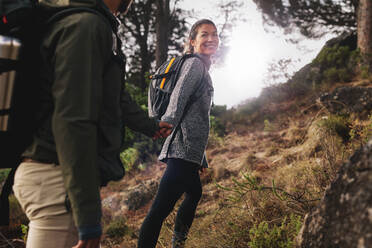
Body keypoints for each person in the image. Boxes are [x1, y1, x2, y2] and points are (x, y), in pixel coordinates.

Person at [11, 0, 172, 247]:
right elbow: (74, 122)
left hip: (51, 175)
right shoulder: (86, 25)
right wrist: (87, 219)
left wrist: (150, 126)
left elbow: (115, 96)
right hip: (58, 183)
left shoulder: (76, 19)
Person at [138, 19, 219, 248]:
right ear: (192, 42)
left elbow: (195, 116)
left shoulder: (201, 66)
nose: (211, 39)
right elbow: (180, 95)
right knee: (158, 212)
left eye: (214, 34)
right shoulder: (194, 65)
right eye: (204, 35)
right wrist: (167, 122)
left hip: (188, 150)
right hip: (181, 149)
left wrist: (200, 155)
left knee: (194, 193)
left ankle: (178, 243)